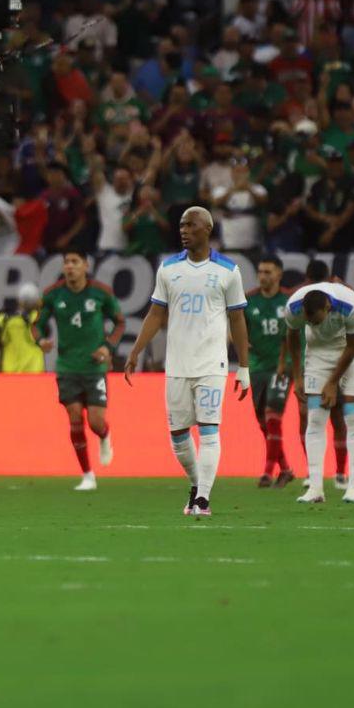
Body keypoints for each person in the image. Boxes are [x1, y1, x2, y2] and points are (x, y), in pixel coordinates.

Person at [124, 206, 251, 516]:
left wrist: (244, 366)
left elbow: (237, 319)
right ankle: (196, 484)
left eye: (190, 225)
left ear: (207, 229)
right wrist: (135, 351)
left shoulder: (228, 271)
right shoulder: (168, 269)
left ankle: (204, 499)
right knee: (179, 436)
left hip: (211, 364)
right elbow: (156, 314)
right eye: (181, 225)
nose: (183, 230)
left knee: (209, 429)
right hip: (177, 364)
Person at [36, 255, 125, 491]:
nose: (69, 267)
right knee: (75, 416)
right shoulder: (53, 294)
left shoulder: (100, 293)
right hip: (66, 366)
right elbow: (36, 324)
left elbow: (120, 322)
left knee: (96, 422)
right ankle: (88, 475)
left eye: (75, 262)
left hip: (94, 367)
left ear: (86, 265)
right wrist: (41, 341)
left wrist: (108, 347)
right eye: (66, 262)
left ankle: (104, 435)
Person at [286, 280, 354, 505]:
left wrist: (332, 382)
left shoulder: (350, 306)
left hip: (351, 350)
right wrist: (297, 375)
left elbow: (353, 345)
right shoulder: (294, 306)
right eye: (308, 320)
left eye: (315, 319)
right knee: (315, 418)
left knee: (353, 415)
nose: (310, 323)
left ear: (328, 309)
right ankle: (315, 489)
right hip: (318, 351)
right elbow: (292, 336)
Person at [244, 254, 296, 488]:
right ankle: (285, 469)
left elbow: (297, 335)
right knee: (263, 422)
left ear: (279, 274)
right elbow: (237, 329)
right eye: (260, 272)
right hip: (256, 368)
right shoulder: (248, 301)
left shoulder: (289, 301)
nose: (263, 276)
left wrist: (291, 362)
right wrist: (240, 342)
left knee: (273, 416)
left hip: (281, 367)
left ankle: (267, 471)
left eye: (268, 272)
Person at [0, 284, 47, 375]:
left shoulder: (3, 320)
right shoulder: (39, 318)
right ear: (37, 301)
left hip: (10, 376)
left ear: (19, 301)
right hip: (36, 375)